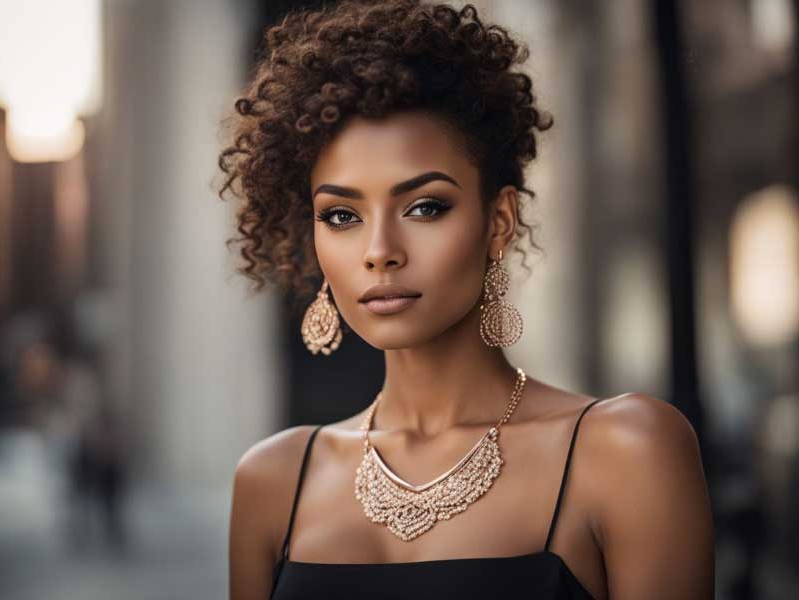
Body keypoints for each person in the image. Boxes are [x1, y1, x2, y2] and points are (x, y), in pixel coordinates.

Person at [219, 2, 715, 599]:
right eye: (342, 215)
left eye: (425, 206)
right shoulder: (272, 481)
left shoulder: (625, 450)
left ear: (499, 221)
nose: (379, 251)